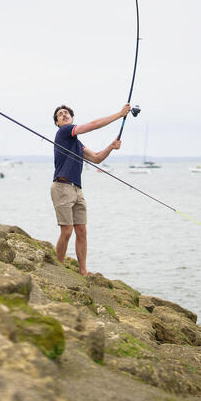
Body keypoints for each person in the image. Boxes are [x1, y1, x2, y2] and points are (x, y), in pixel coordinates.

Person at [51, 103, 130, 275]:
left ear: (72, 118)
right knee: (67, 231)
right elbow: (93, 125)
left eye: (67, 113)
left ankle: (83, 271)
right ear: (57, 123)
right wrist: (119, 114)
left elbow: (96, 158)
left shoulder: (77, 144)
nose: (64, 115)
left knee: (82, 231)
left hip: (77, 189)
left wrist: (111, 146)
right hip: (62, 187)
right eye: (60, 114)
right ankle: (57, 269)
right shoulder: (64, 132)